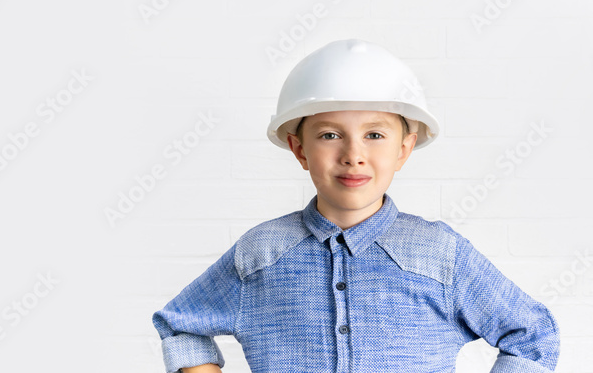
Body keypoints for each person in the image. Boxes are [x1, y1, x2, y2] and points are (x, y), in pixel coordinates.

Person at [151, 39, 559, 373]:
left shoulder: (441, 255)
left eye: (375, 135)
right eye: (330, 135)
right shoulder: (261, 253)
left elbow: (532, 336)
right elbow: (181, 325)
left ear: (404, 148)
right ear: (299, 149)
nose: (353, 155)